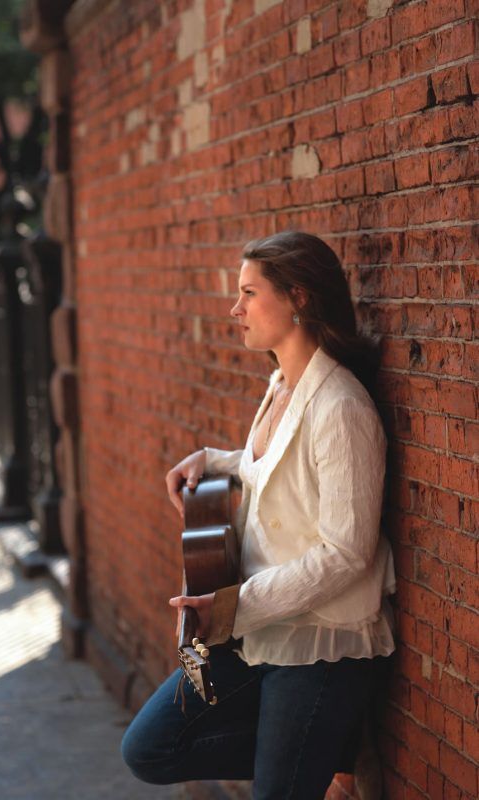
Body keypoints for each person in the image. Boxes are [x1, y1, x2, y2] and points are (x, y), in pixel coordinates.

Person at [121, 230, 396, 799]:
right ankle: (328, 748)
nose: (235, 308)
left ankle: (317, 744)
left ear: (298, 298)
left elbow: (347, 553)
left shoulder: (342, 408)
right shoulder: (281, 386)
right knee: (147, 748)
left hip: (321, 644)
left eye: (249, 293)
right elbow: (272, 467)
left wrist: (232, 607)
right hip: (260, 634)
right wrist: (213, 459)